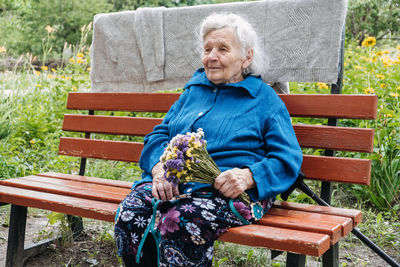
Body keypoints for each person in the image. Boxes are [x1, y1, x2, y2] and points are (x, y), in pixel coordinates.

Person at [114, 13, 303, 267]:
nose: (211, 56)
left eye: (223, 49)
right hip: (175, 186)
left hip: (228, 193)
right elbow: (159, 134)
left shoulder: (264, 100)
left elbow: (287, 157)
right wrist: (159, 168)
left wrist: (248, 176)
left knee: (179, 220)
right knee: (130, 213)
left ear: (247, 57)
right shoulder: (194, 91)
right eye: (207, 49)